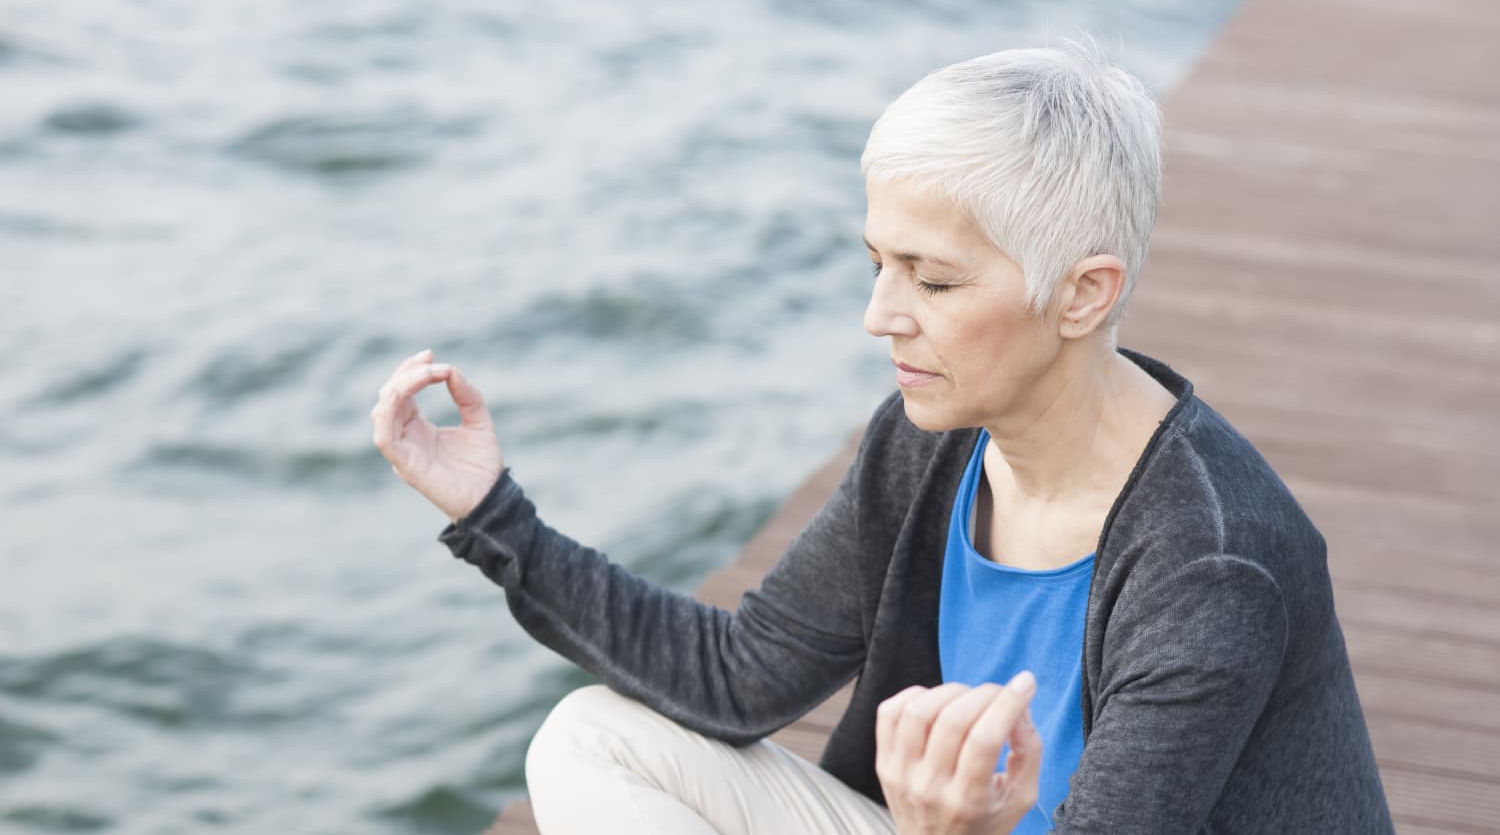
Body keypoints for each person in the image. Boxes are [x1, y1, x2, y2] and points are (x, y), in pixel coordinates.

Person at [370, 41, 1393, 834]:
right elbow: (737, 676)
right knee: (594, 736)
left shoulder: (1210, 565)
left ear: (1083, 294)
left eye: (934, 280)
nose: (881, 314)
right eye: (879, 263)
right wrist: (492, 514)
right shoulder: (930, 444)